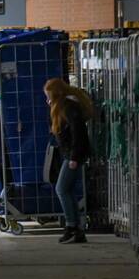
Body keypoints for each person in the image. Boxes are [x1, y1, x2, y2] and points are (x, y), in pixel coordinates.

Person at [44, 78, 94, 243]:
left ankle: (72, 226)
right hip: (71, 153)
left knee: (61, 189)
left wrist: (74, 157)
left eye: (49, 96)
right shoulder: (63, 106)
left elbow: (78, 133)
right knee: (68, 190)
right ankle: (76, 228)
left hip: (73, 154)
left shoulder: (68, 107)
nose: (47, 100)